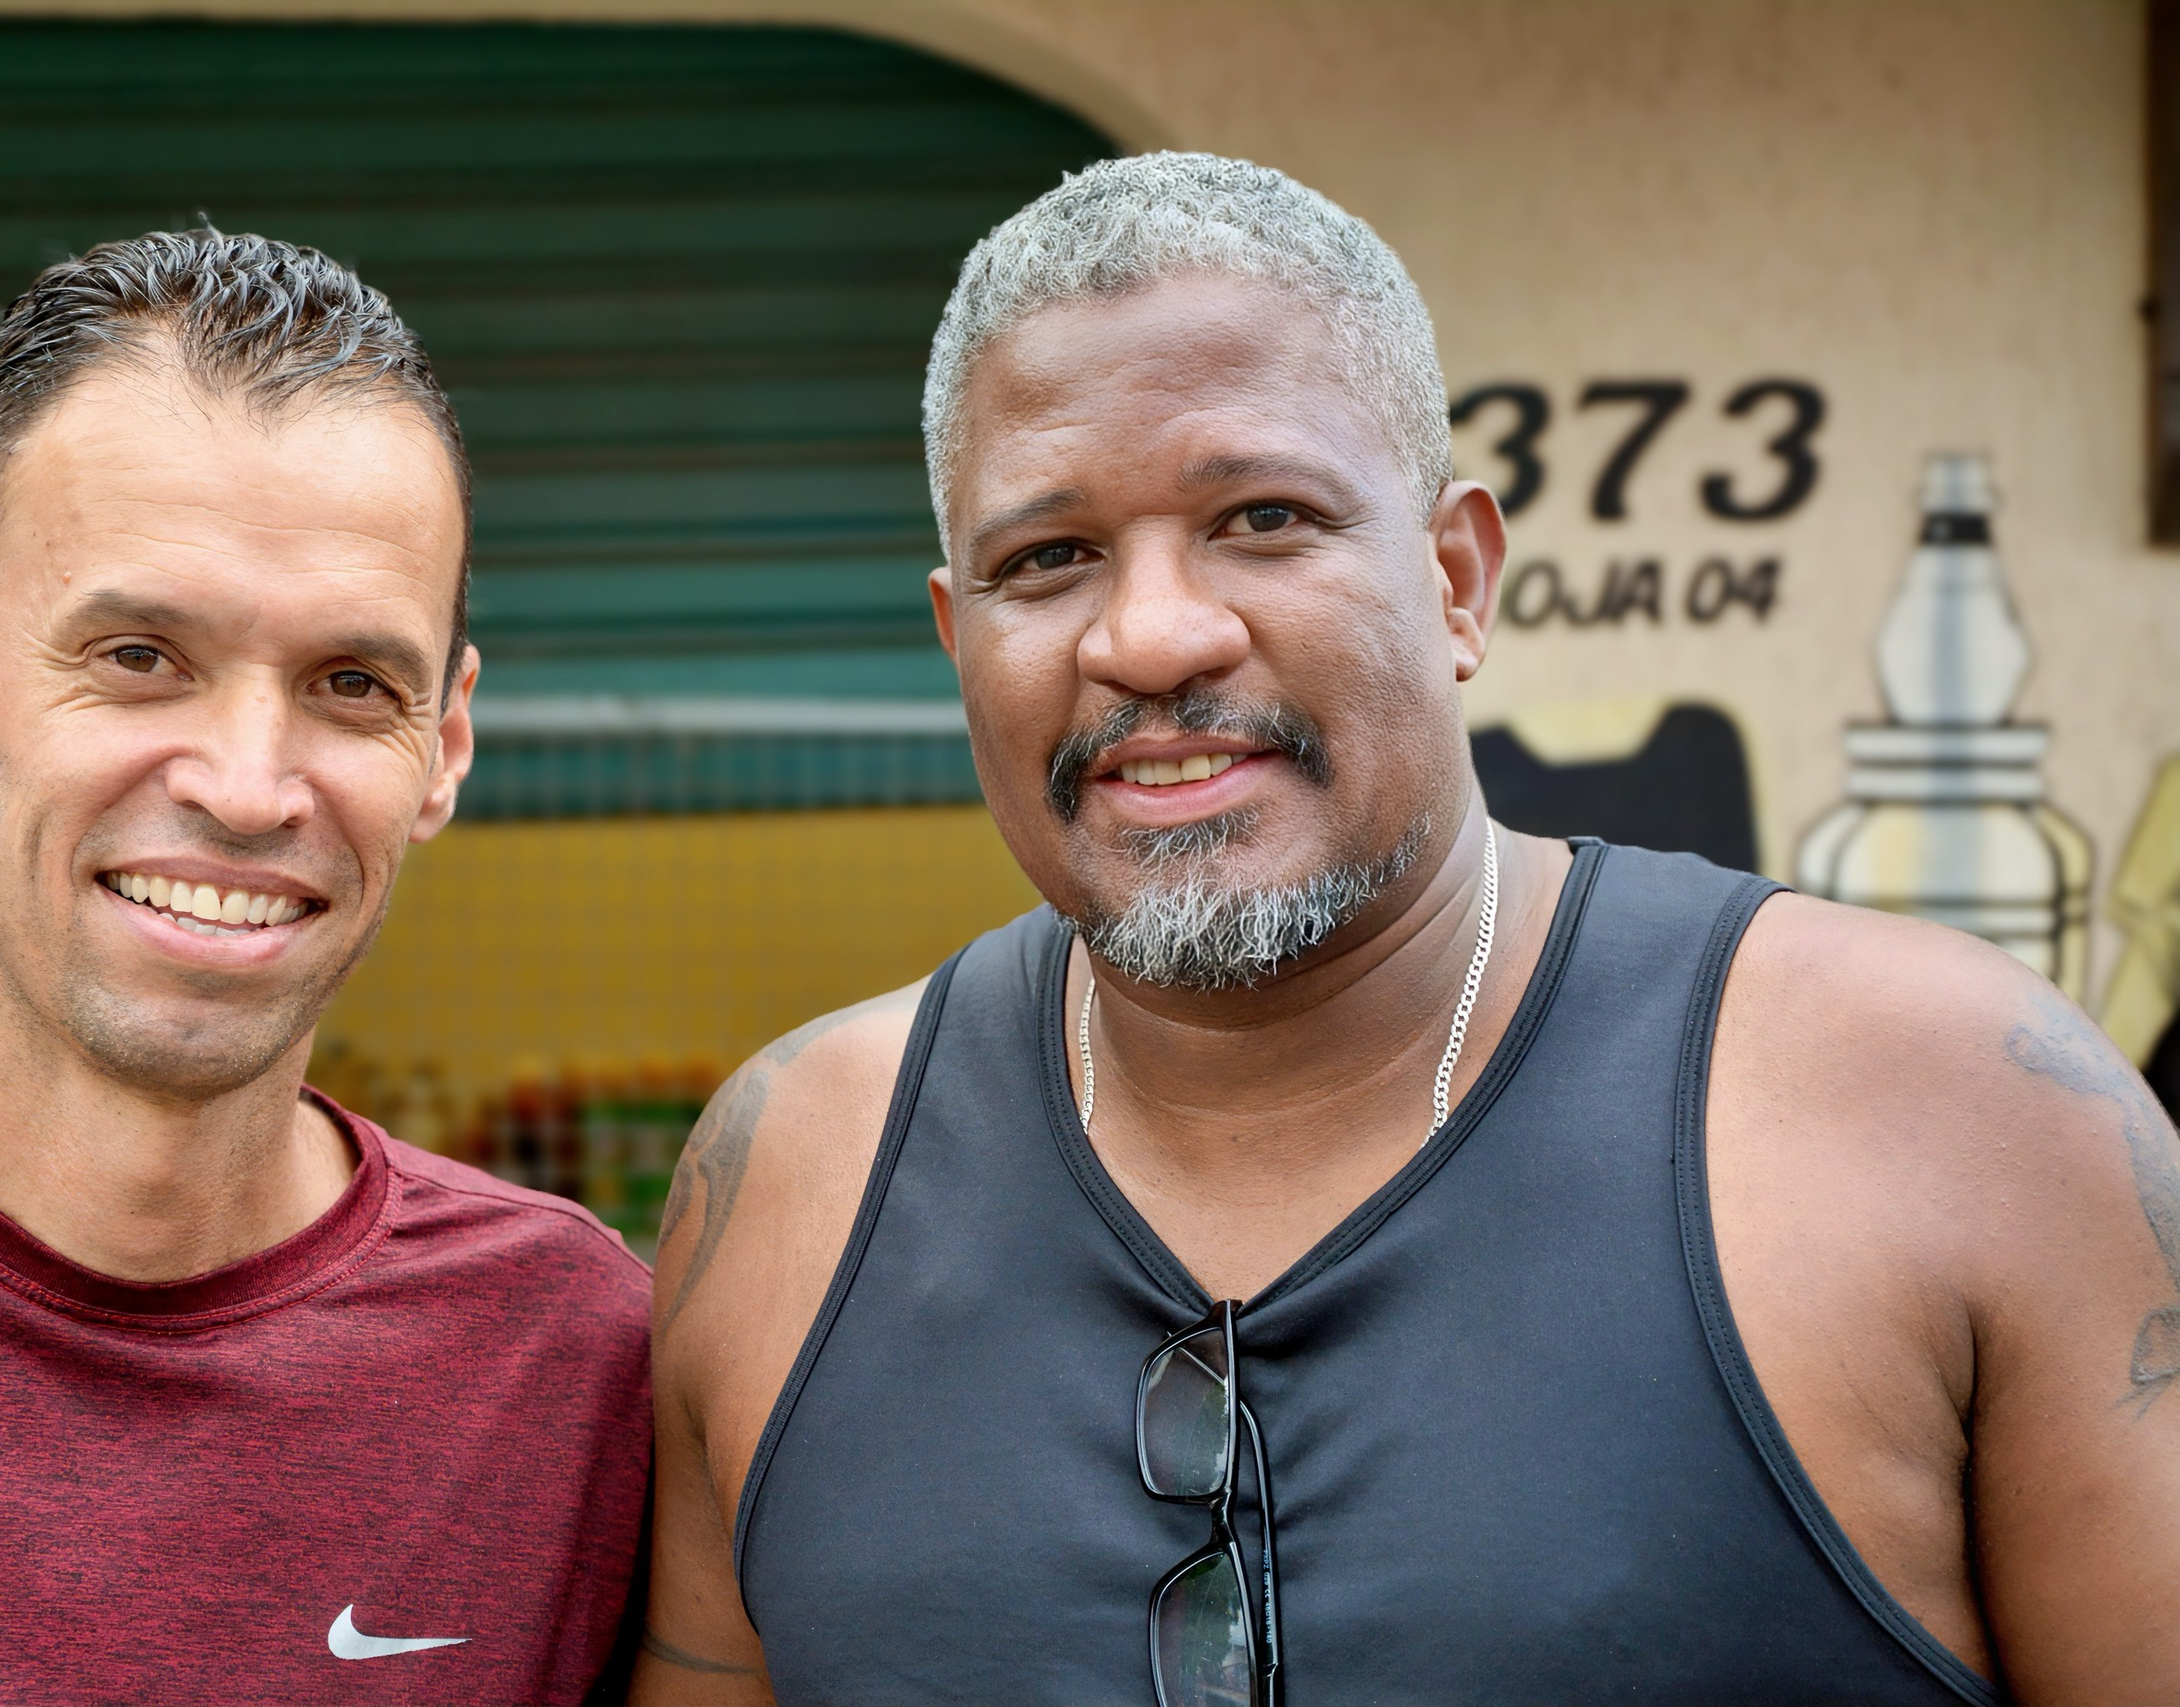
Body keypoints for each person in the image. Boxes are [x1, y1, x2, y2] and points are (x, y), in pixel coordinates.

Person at [635, 154, 2180, 1707]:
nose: (1154, 635)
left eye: (1262, 517)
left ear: (1455, 580)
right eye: (1050, 558)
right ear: (959, 639)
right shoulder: (792, 1184)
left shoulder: (1958, 1112)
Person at [0, 230, 649, 1704]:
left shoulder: (574, 1368)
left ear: (447, 746)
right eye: (136, 656)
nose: (246, 785)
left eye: (352, 686)